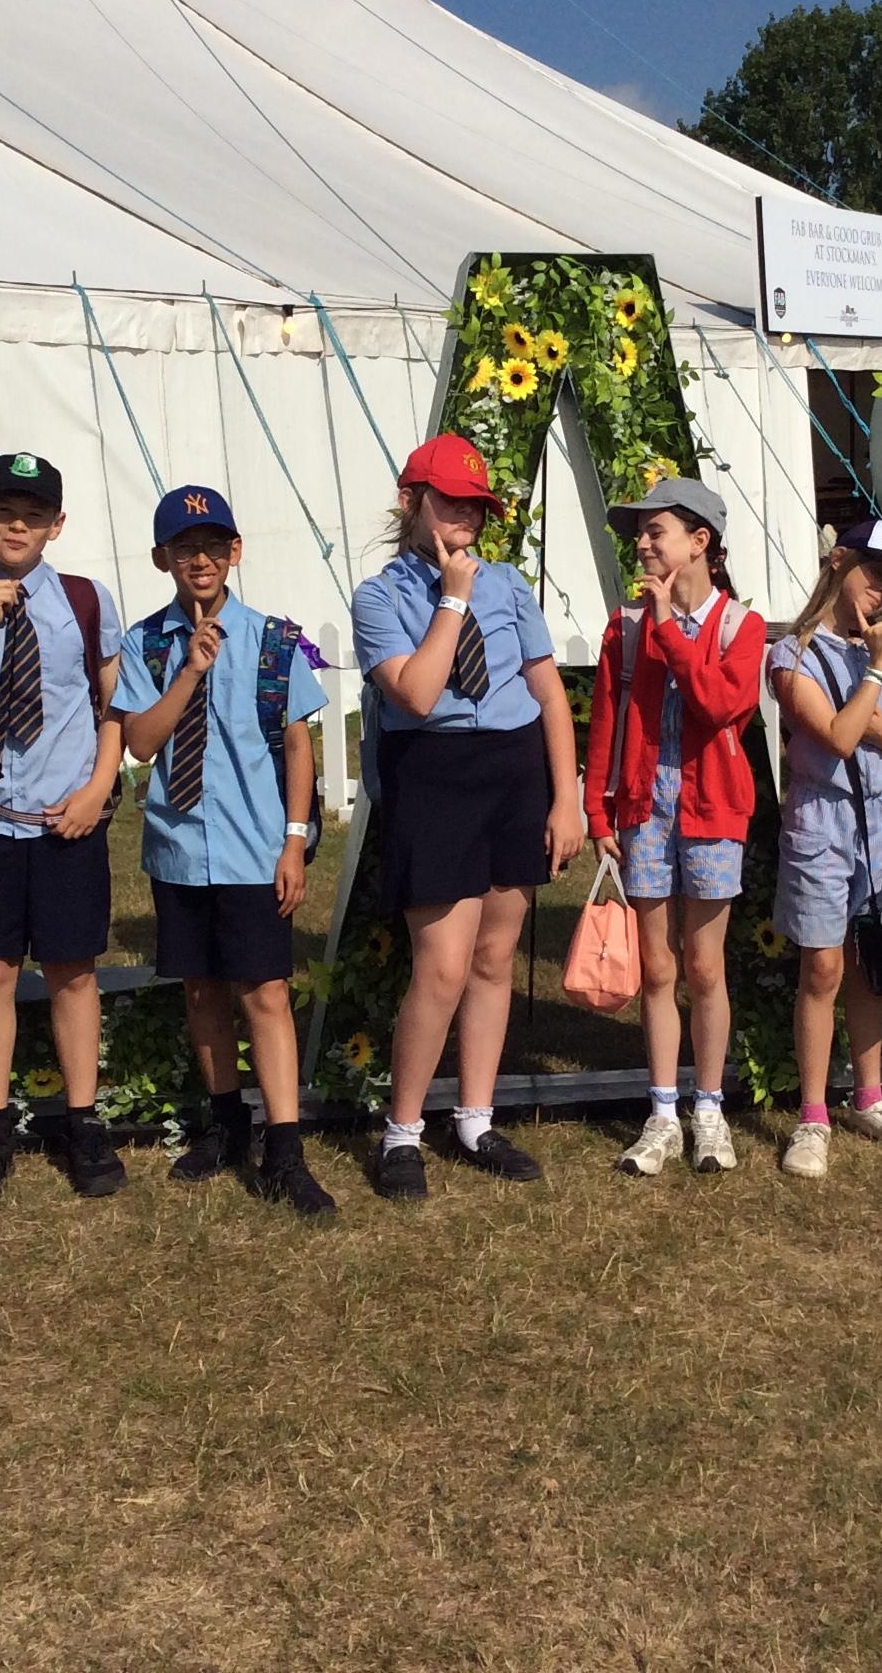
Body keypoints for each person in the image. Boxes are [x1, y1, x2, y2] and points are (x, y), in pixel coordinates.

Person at [351, 434, 584, 1199]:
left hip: (513, 773)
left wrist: (567, 796)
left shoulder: (509, 584)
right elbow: (417, 694)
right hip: (435, 775)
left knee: (493, 958)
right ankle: (402, 1131)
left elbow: (547, 693)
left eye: (476, 508)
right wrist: (451, 599)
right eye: (451, 503)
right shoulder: (381, 597)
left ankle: (476, 1120)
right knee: (442, 967)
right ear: (411, 501)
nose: (466, 520)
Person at [114, 483, 337, 1218]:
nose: (200, 560)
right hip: (180, 846)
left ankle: (286, 1148)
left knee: (264, 991)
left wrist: (295, 842)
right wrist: (190, 670)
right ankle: (225, 1123)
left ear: (234, 552)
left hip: (252, 846)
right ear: (163, 559)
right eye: (185, 549)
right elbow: (142, 743)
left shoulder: (273, 640)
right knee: (202, 988)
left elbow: (298, 746)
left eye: (213, 546)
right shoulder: (147, 642)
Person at [0, 452, 126, 1206]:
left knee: (74, 970)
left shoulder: (85, 601)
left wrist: (98, 791)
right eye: (4, 511)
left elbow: (116, 706)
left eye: (34, 515)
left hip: (67, 818)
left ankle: (82, 1119)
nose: (18, 525)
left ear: (56, 526)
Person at [583, 476, 764, 1176]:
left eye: (655, 531)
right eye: (640, 533)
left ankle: (708, 1109)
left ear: (700, 541)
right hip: (644, 810)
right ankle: (662, 1112)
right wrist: (598, 808)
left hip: (713, 811)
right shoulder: (625, 627)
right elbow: (607, 720)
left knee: (705, 966)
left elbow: (719, 706)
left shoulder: (740, 626)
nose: (643, 544)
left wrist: (667, 627)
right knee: (657, 966)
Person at [765, 519, 882, 1180]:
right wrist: (877, 668)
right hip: (823, 825)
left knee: (871, 967)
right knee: (822, 968)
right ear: (839, 563)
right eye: (875, 572)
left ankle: (870, 1099)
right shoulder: (793, 656)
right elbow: (838, 738)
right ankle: (813, 1115)